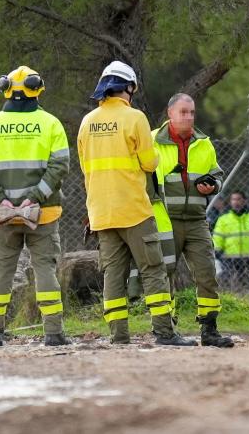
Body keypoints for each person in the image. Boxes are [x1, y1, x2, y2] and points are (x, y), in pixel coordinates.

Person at [78, 61, 194, 346]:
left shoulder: (87, 122)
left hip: (101, 212)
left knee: (113, 275)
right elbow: (150, 162)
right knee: (152, 270)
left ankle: (119, 336)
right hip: (133, 210)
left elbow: (84, 167)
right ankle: (165, 333)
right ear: (128, 88)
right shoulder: (135, 118)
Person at [0, 66, 71, 346]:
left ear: (6, 89)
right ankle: (53, 333)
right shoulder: (51, 123)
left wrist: (0, 198)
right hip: (43, 213)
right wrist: (35, 197)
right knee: (45, 270)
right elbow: (60, 165)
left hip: (2, 215)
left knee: (1, 271)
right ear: (37, 89)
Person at [151, 93, 234, 347]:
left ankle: (209, 330)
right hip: (166, 218)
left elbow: (216, 173)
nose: (188, 117)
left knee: (207, 273)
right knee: (165, 274)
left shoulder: (204, 143)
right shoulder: (152, 141)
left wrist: (214, 185)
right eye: (183, 112)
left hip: (197, 219)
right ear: (170, 114)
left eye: (192, 112)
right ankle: (166, 331)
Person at [212, 191, 249, 291]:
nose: (236, 202)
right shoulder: (223, 219)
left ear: (244, 201)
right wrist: (217, 250)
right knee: (234, 286)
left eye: (239, 199)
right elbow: (217, 237)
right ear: (230, 202)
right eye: (233, 199)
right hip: (231, 258)